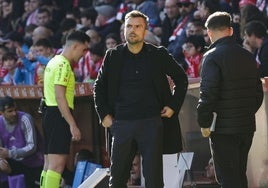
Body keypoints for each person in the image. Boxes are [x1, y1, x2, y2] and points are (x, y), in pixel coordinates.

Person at [94, 10, 188, 188]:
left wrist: (173, 106)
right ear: (124, 30)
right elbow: (99, 86)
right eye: (129, 26)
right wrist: (104, 114)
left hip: (151, 122)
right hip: (121, 123)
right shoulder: (113, 56)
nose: (133, 30)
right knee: (117, 178)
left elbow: (181, 79)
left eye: (138, 26)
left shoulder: (158, 54)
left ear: (145, 31)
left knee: (154, 179)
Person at [197, 12, 263, 188]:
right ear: (231, 31)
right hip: (246, 126)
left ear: (209, 33)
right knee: (240, 175)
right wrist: (245, 113)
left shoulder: (211, 56)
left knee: (227, 179)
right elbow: (258, 93)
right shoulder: (248, 56)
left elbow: (208, 94)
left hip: (222, 129)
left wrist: (204, 122)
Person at [40, 30, 90, 188]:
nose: (83, 55)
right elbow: (60, 96)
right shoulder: (63, 65)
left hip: (49, 113)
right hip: (58, 115)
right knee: (57, 166)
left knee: (48, 164)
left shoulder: (53, 61)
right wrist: (72, 124)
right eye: (83, 50)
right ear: (75, 46)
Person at [0, 96, 44, 188]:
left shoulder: (25, 119)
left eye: (15, 110)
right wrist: (1, 161)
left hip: (33, 162)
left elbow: (32, 147)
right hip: (13, 163)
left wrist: (9, 153)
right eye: (10, 111)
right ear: (2, 113)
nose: (14, 113)